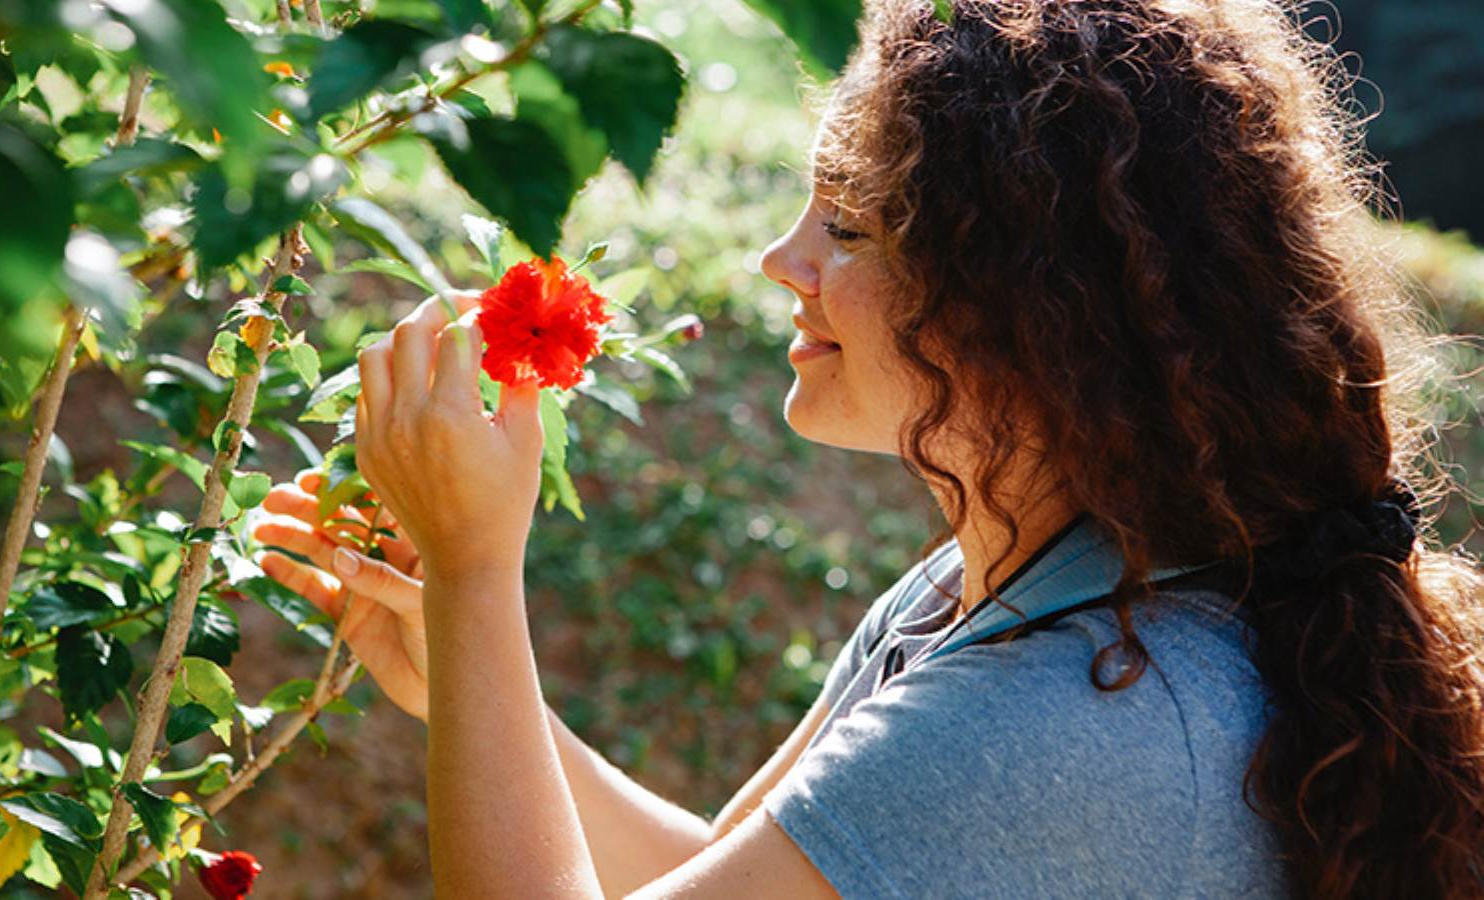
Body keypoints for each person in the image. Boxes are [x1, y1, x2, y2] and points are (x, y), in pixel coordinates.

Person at [253, 0, 1484, 896]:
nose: (779, 262)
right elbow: (733, 874)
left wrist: (476, 577)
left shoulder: (1069, 714)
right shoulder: (1012, 581)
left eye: (847, 223)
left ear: (1027, 302)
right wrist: (470, 675)